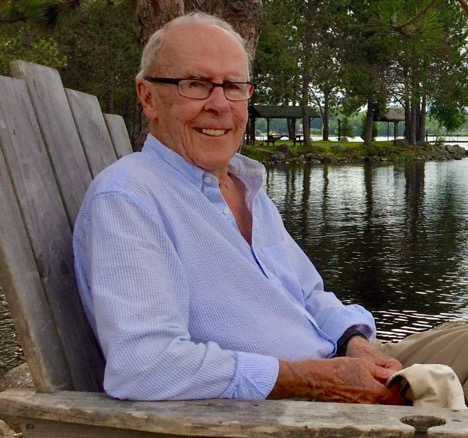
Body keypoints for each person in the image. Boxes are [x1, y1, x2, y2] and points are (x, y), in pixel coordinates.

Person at [73, 12, 468, 404]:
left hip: (334, 370)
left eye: (233, 86)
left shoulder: (247, 188)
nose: (219, 104)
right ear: (148, 97)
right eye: (196, 84)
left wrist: (355, 343)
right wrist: (313, 380)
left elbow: (310, 295)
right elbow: (144, 364)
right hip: (284, 408)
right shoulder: (129, 199)